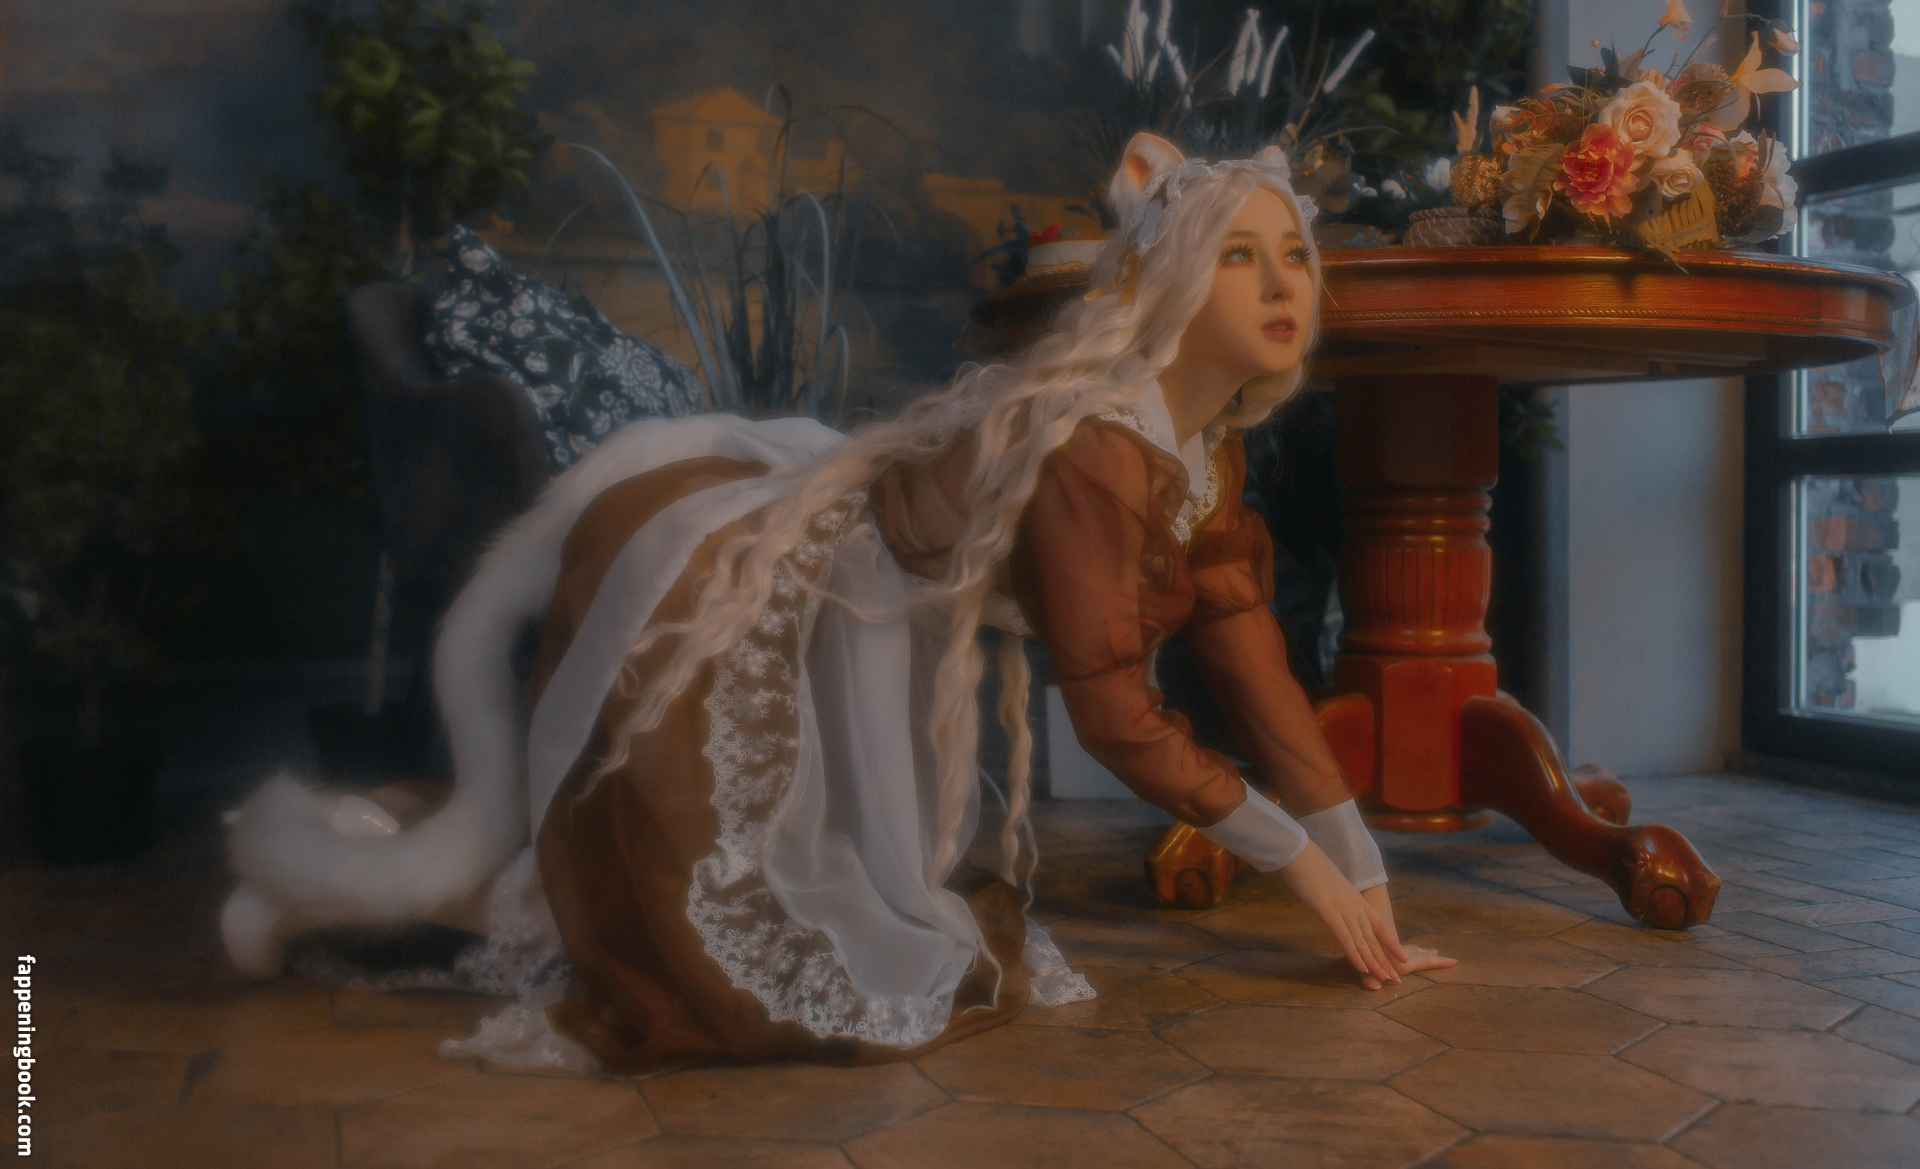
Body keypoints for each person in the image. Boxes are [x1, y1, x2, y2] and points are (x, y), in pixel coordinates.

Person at [220, 132, 1453, 1071]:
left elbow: (1253, 661)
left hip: (887, 624)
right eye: (1239, 254)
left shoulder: (1203, 454)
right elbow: (1117, 715)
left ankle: (362, 869)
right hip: (804, 598)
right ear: (1170, 282)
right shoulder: (1099, 446)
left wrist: (1367, 885)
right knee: (698, 931)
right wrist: (1301, 864)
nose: (1284, 282)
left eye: (1294, 254)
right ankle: (344, 886)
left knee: (760, 898)